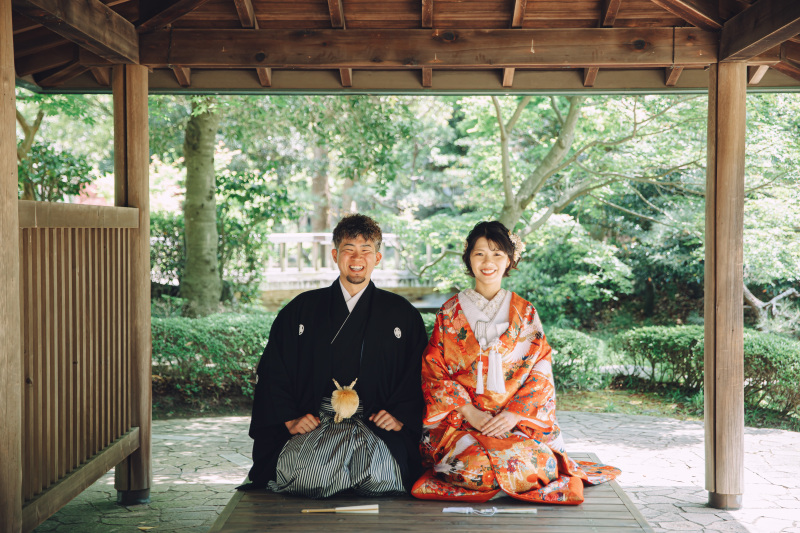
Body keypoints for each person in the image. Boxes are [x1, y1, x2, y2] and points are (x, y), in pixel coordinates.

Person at [411, 221, 620, 504]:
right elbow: (433, 370)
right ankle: (500, 483)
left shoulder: (525, 312)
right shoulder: (449, 313)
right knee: (473, 469)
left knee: (538, 465)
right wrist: (471, 413)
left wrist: (514, 414)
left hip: (516, 425)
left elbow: (540, 368)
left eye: (497, 254)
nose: (488, 262)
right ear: (468, 258)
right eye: (479, 253)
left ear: (510, 259)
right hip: (462, 423)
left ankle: (503, 481)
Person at [243, 214, 427, 498]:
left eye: (366, 250)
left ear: (377, 258)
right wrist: (290, 418)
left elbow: (419, 373)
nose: (357, 258)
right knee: (307, 476)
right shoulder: (301, 310)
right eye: (348, 249)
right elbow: (274, 370)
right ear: (335, 255)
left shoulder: (402, 314)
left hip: (374, 424)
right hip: (317, 421)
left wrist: (401, 416)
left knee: (380, 476)